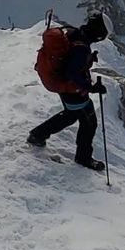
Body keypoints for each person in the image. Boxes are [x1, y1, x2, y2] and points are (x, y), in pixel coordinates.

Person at [27, 13, 109, 171]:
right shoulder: (82, 48)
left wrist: (88, 59)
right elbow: (72, 72)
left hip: (62, 86)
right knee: (89, 122)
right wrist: (90, 87)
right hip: (72, 90)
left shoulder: (74, 33)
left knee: (71, 115)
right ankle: (83, 158)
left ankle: (37, 135)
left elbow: (70, 61)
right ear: (99, 34)